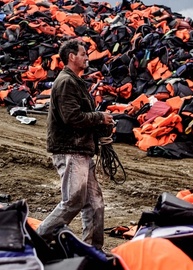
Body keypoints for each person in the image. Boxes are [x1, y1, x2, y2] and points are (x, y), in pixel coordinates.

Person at [36, 39, 113, 249]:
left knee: (95, 204)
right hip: (70, 150)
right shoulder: (66, 82)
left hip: (81, 150)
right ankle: (36, 240)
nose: (87, 57)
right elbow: (72, 117)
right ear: (72, 56)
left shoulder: (74, 81)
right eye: (84, 53)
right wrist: (99, 118)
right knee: (73, 201)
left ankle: (92, 250)